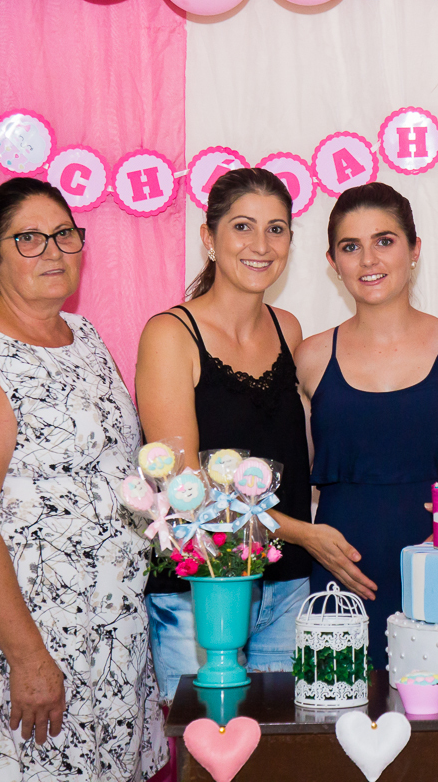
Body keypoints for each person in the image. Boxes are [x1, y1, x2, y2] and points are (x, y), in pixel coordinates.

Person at [0, 177, 166, 780]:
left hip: (106, 635)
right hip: (26, 642)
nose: (53, 251)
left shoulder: (85, 336)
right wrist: (28, 658)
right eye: (28, 239)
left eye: (65, 235)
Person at [294, 182, 438, 668]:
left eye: (384, 241)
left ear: (414, 249)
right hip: (342, 576)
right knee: (341, 722)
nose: (368, 260)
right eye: (350, 247)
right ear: (332, 262)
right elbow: (298, 474)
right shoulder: (311, 357)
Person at [135, 168, 311, 700]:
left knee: (284, 756)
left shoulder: (290, 329)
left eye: (276, 229)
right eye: (243, 227)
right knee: (211, 754)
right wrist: (306, 533)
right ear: (209, 239)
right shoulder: (171, 334)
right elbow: (187, 490)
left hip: (286, 587)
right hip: (200, 591)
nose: (261, 245)